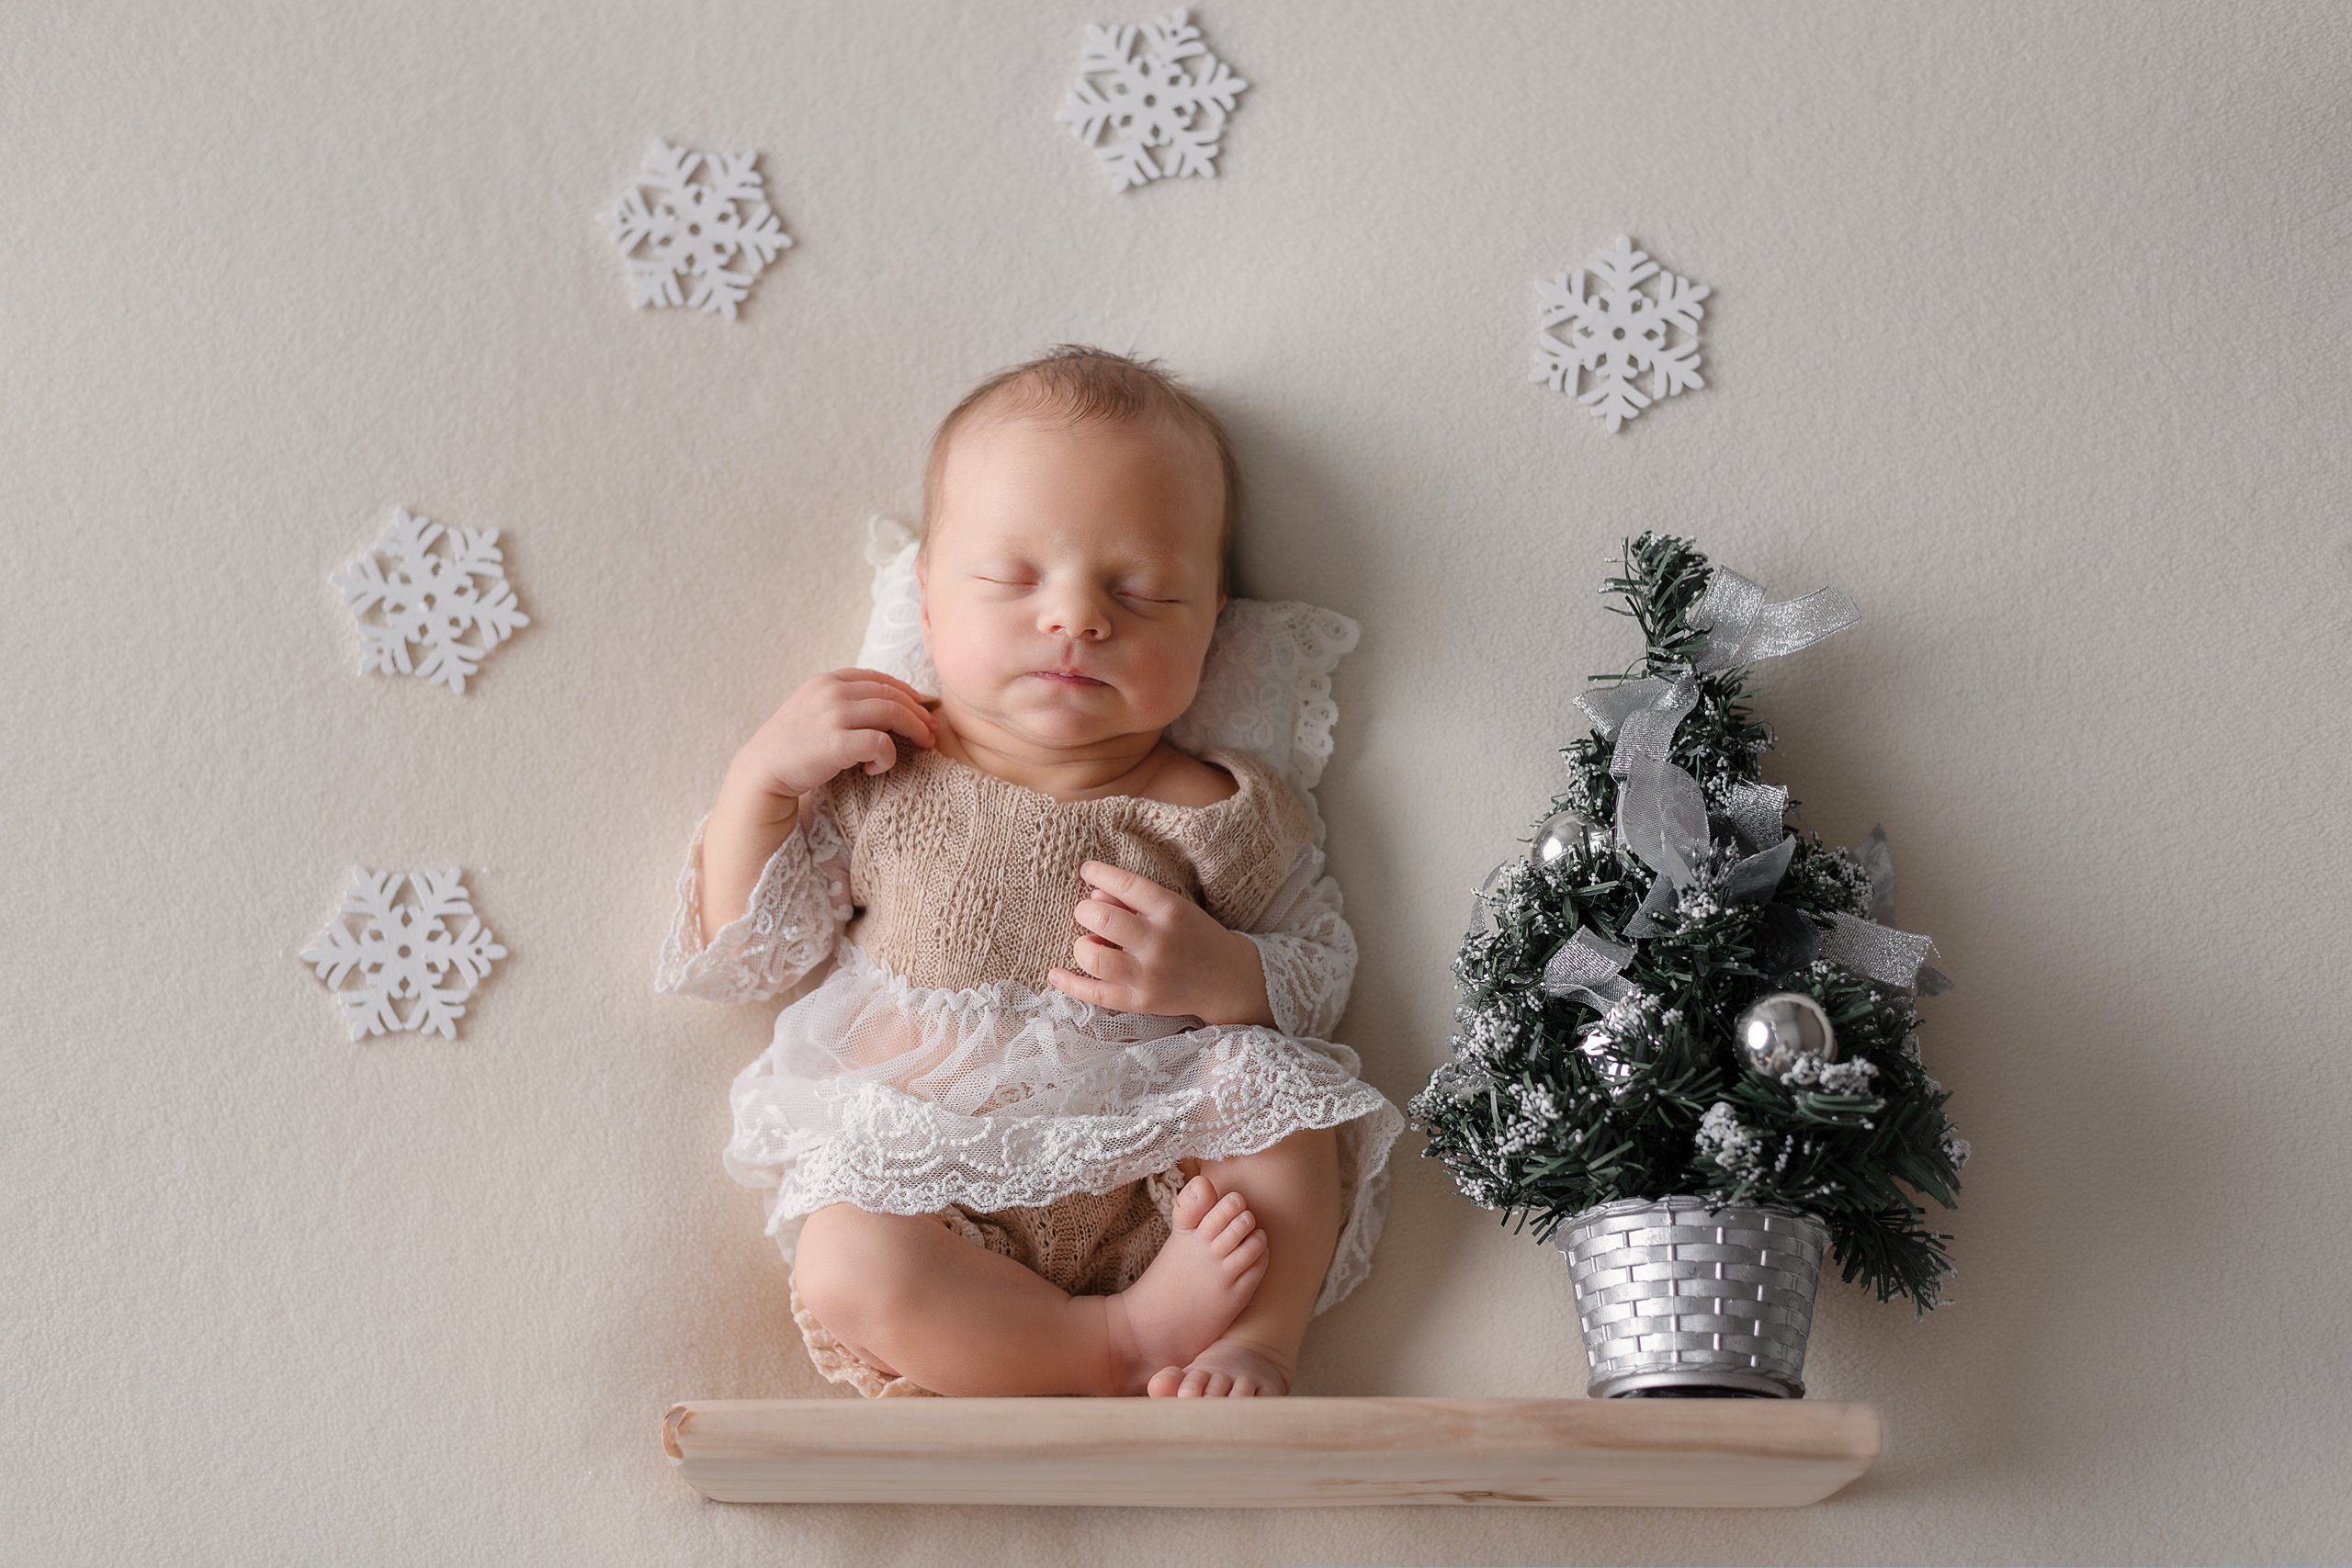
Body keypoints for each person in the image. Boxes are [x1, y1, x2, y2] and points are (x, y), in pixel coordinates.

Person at [658, 346, 1400, 1398]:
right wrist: (759, 788)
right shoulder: (881, 774)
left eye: (1141, 591)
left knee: (1282, 1104)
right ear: (927, 601)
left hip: (1158, 1173)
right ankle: (1108, 1343)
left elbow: (1321, 975)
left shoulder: (1222, 811)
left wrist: (1228, 975)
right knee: (844, 1257)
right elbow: (749, 954)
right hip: (931, 1175)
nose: (1077, 618)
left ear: (1213, 625)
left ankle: (1250, 1344)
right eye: (1014, 579)